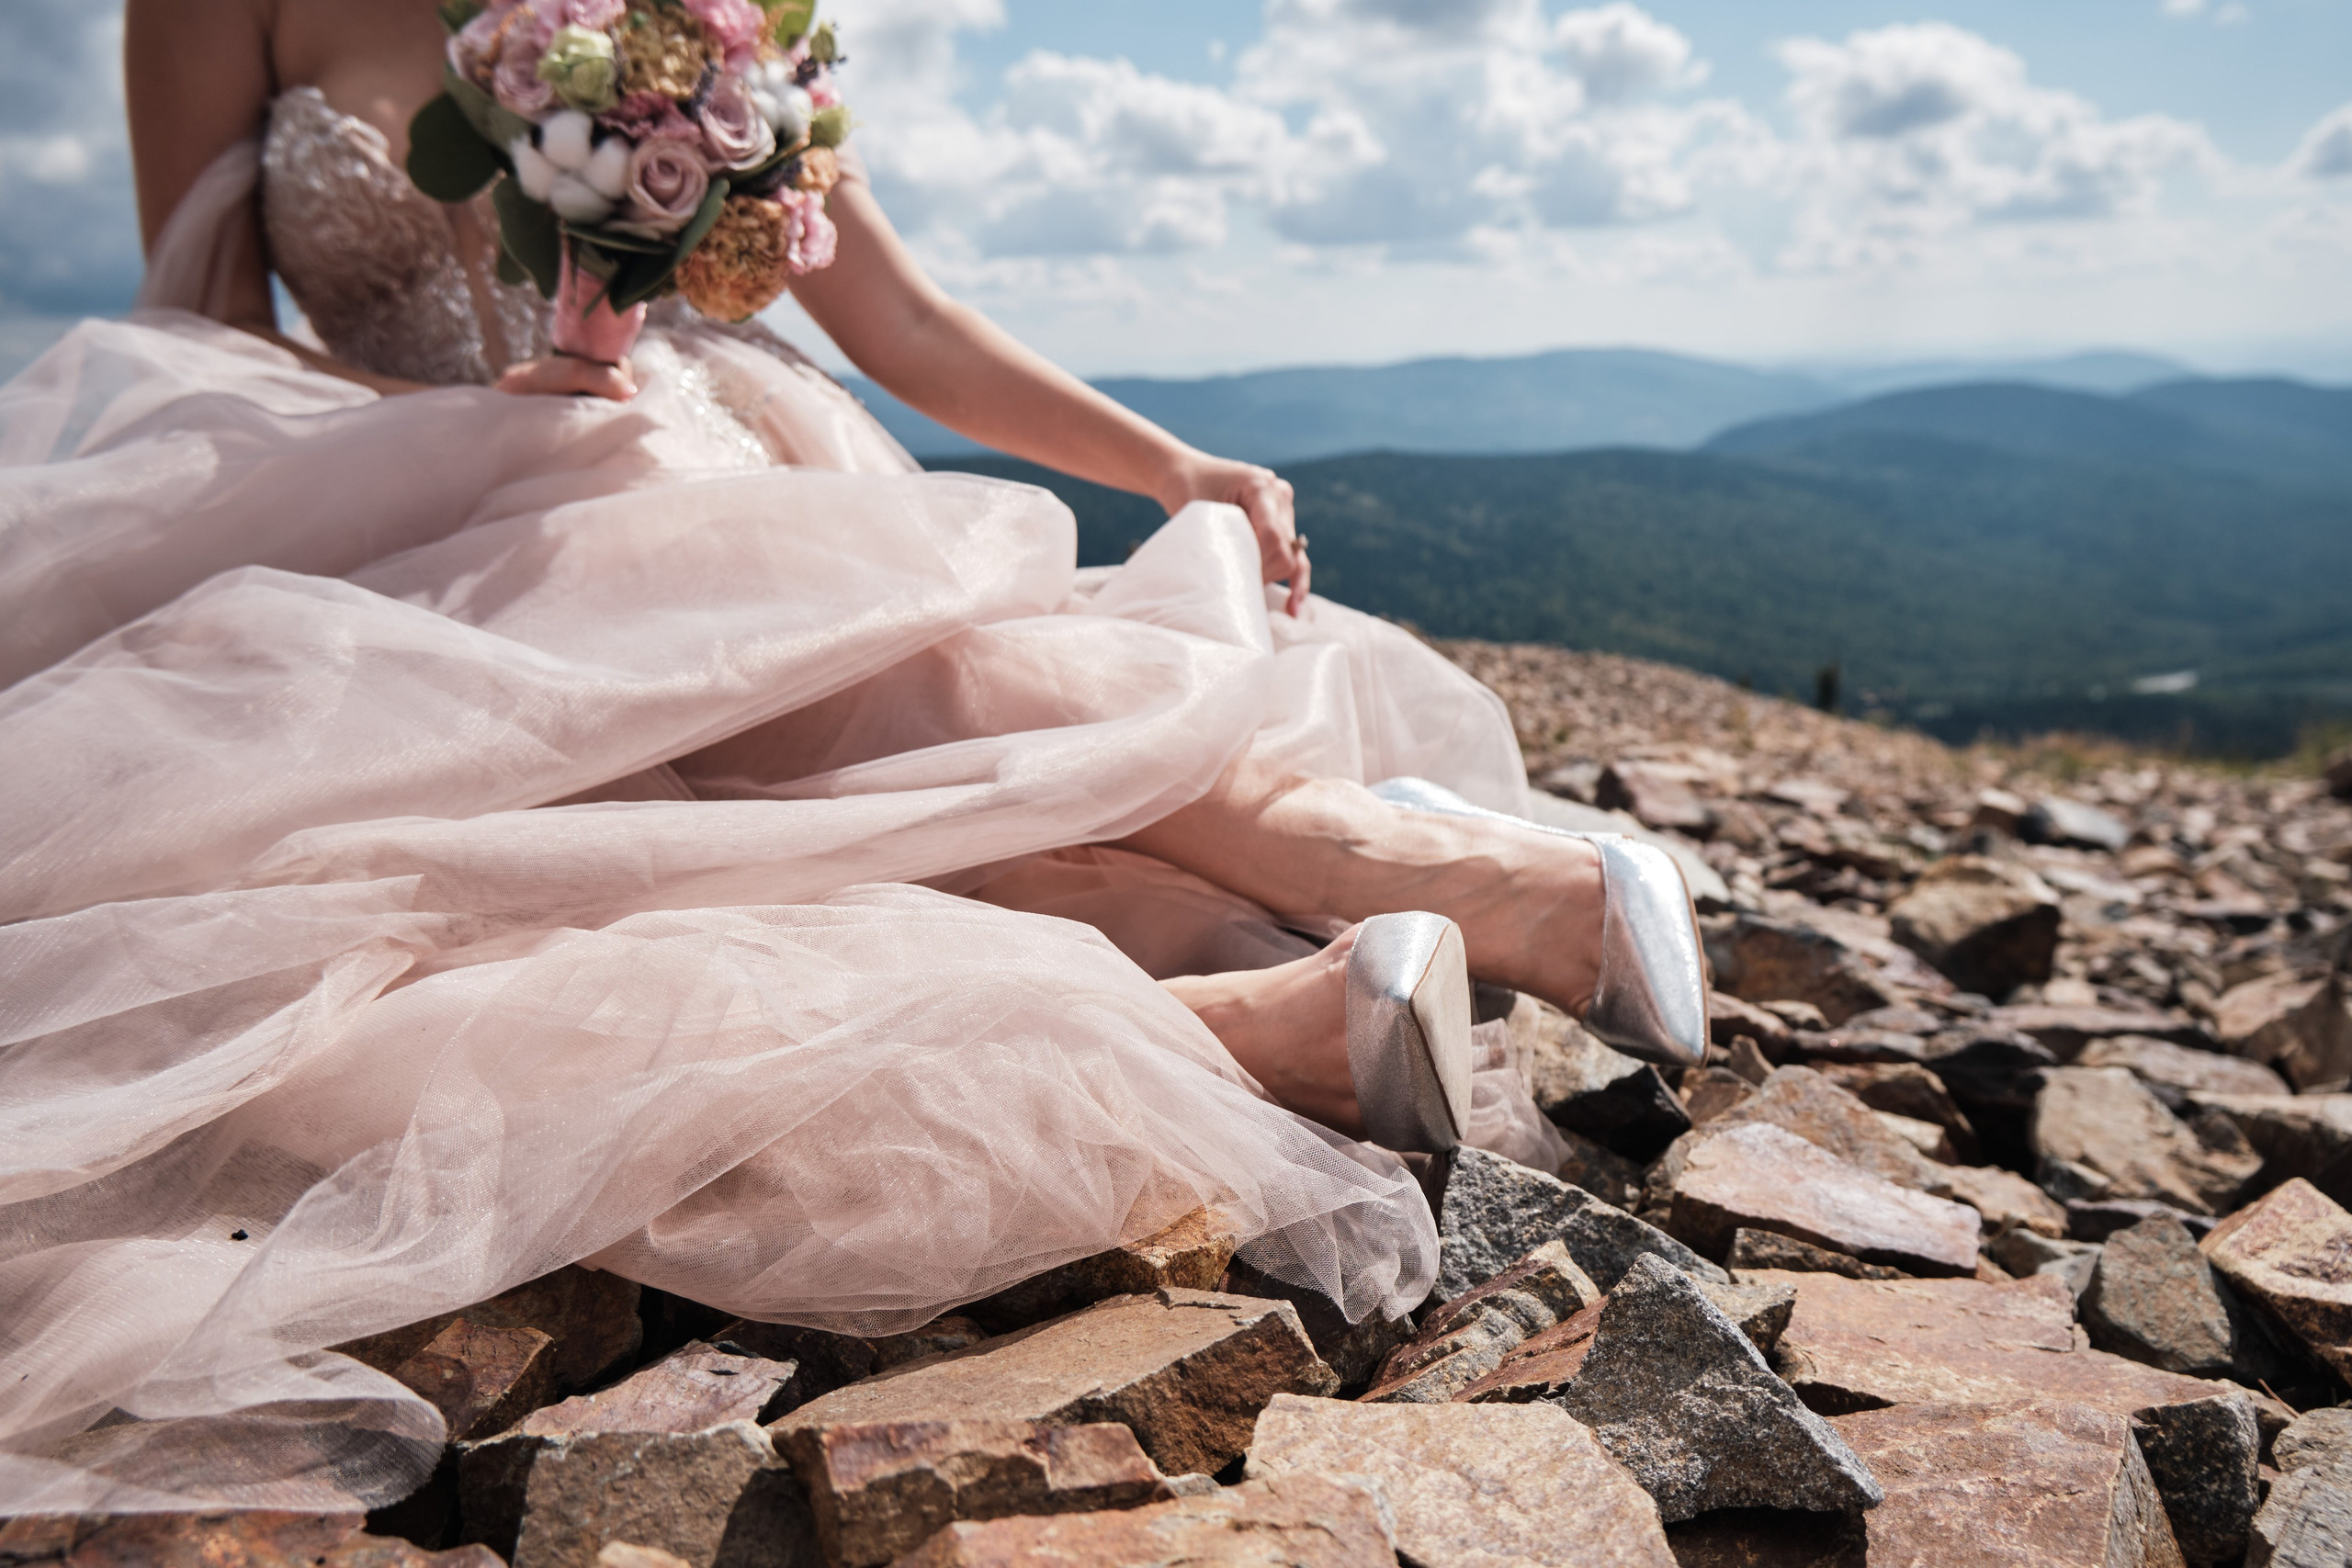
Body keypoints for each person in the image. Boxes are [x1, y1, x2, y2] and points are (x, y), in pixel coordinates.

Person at [0, 0, 1704, 1514]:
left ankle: (1353, 894)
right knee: (546, 877)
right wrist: (462, 425)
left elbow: (903, 316)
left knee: (818, 640)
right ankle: (1271, 985)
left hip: (709, 463)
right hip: (404, 524)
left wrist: (1171, 464)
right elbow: (197, 325)